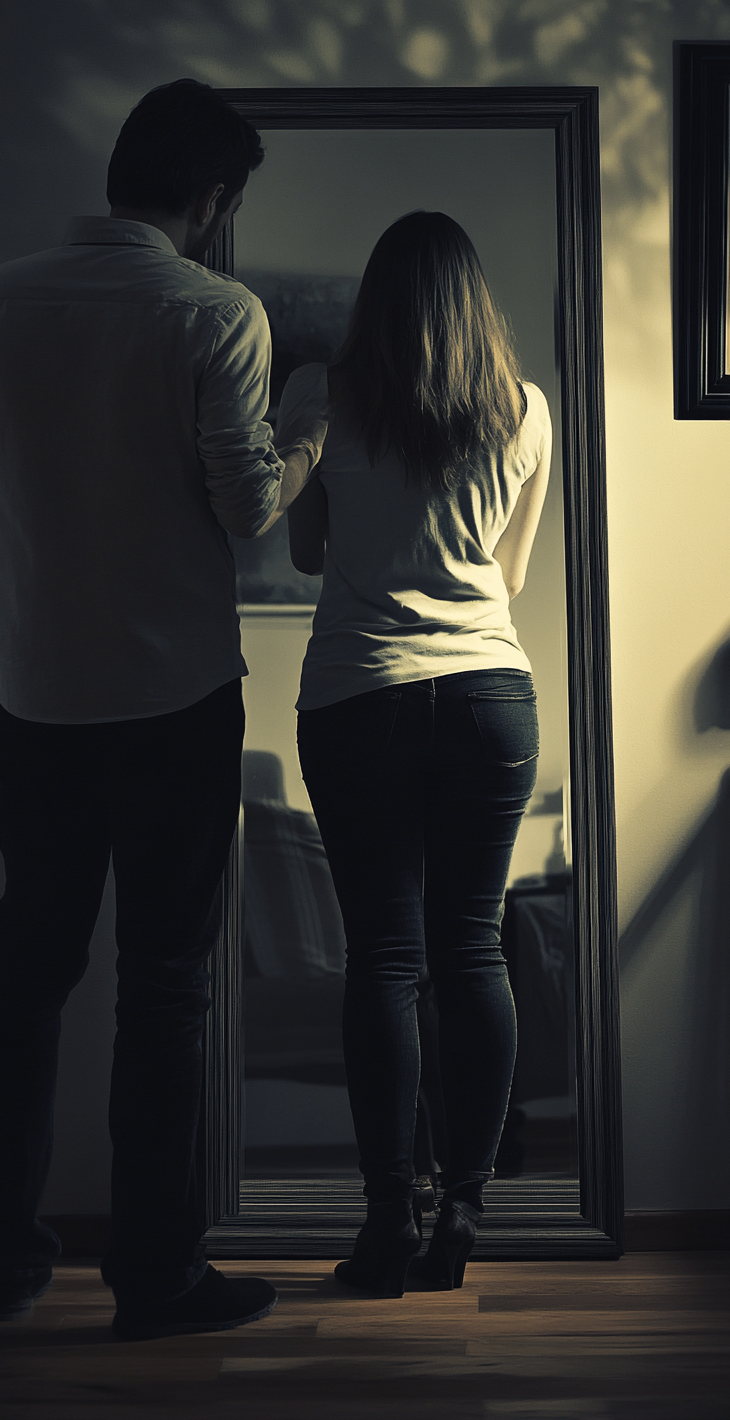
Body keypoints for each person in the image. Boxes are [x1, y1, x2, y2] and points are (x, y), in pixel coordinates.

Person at [0, 78, 326, 1341]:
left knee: (24, 976)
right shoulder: (216, 312)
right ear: (213, 199)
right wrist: (305, 437)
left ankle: (4, 1255)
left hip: (37, 696)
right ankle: (154, 1276)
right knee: (163, 986)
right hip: (173, 701)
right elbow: (249, 507)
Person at [284, 210, 552, 1297]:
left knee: (385, 960)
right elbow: (512, 574)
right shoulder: (527, 409)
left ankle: (387, 1219)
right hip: (491, 695)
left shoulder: (319, 393)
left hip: (361, 697)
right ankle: (467, 1208)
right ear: (476, 301)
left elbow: (306, 551)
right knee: (473, 949)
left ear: (375, 300)